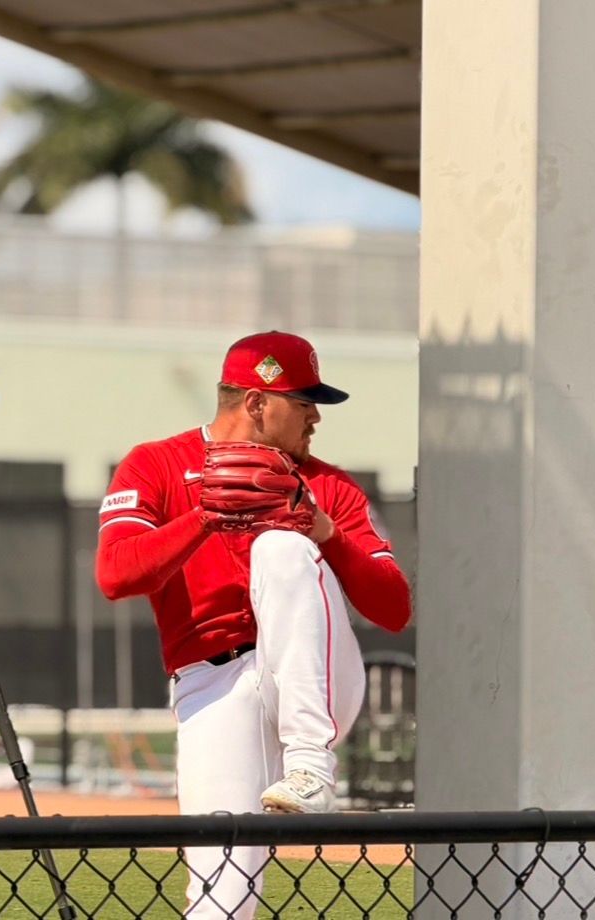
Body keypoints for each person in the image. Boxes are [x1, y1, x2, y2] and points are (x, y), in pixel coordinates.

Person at [95, 330, 411, 919]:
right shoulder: (158, 463)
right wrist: (207, 516)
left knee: (281, 551)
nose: (316, 415)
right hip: (212, 683)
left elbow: (394, 609)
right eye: (303, 400)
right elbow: (115, 575)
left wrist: (323, 532)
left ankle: (313, 767)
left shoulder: (328, 484)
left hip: (315, 681)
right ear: (257, 403)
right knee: (221, 893)